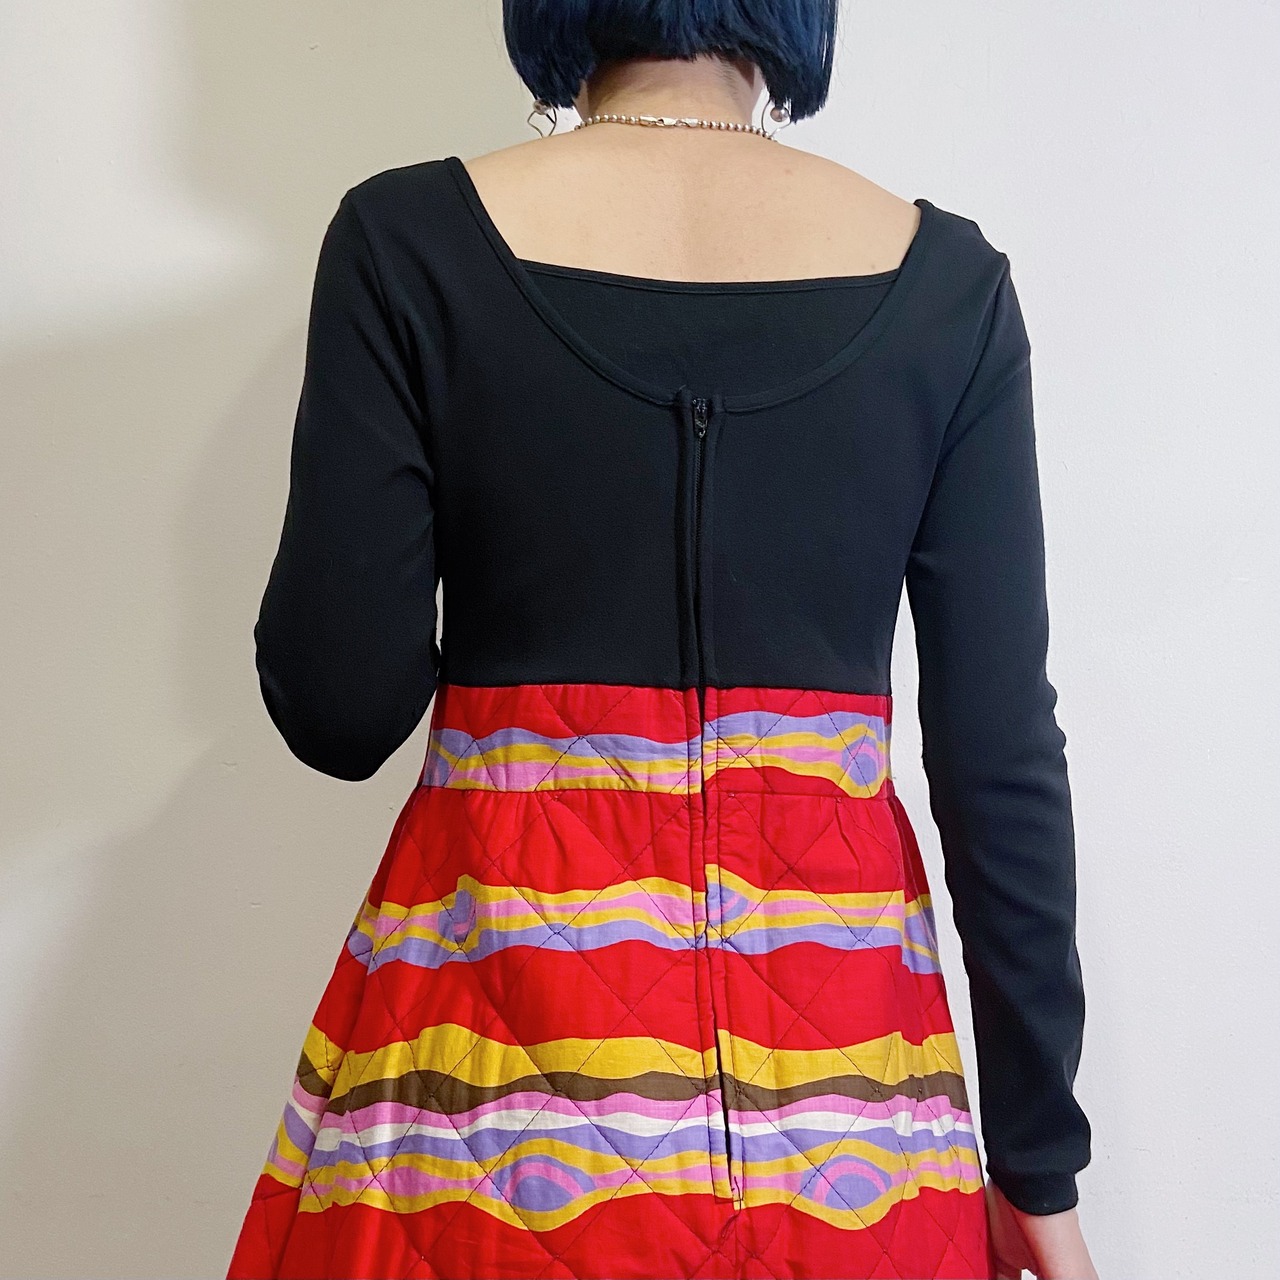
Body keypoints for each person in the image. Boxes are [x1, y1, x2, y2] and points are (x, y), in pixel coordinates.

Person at [227, 4, 1097, 1278]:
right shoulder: (947, 288)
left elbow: (338, 704)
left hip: (476, 1126)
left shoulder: (405, 244)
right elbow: (998, 758)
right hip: (849, 1129)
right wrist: (1035, 1164)